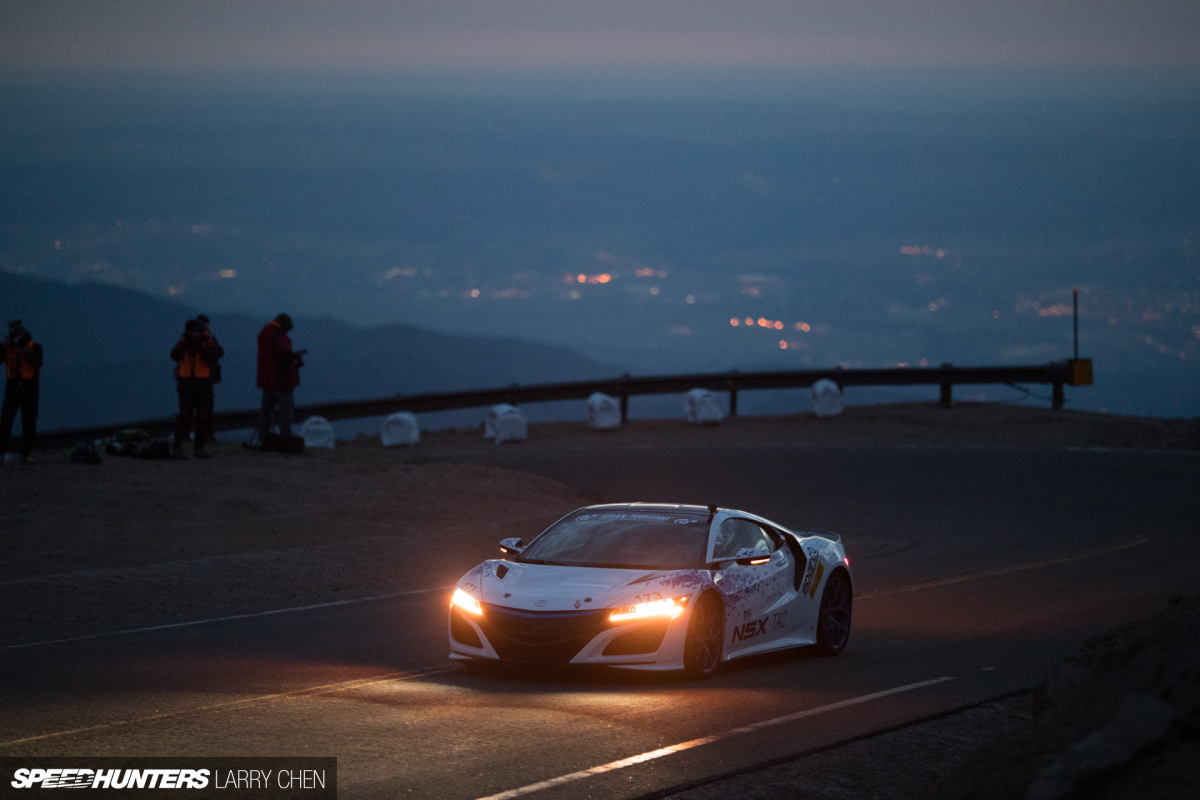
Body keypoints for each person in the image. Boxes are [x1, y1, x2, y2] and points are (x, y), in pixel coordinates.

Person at [170, 316, 224, 458]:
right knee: (184, 416)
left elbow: (217, 355)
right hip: (187, 384)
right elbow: (174, 355)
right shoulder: (184, 341)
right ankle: (177, 448)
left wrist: (201, 346)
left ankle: (198, 449)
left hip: (202, 384)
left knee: (202, 417)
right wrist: (186, 342)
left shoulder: (207, 341)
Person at [254, 313, 305, 445]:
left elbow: (273, 357)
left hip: (267, 381)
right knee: (286, 410)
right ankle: (286, 438)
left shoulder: (265, 335)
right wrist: (295, 356)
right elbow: (284, 357)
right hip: (282, 382)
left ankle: (263, 438)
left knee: (265, 411)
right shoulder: (279, 337)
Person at [0, 320, 43, 465]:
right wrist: (2, 346)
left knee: (29, 422)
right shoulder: (7, 348)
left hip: (29, 387)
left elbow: (38, 362)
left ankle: (26, 454)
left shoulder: (34, 347)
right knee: (5, 420)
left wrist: (24, 352)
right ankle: (2, 453)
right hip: (12, 387)